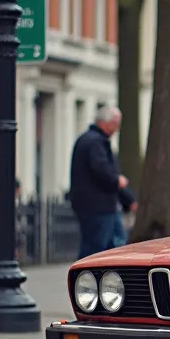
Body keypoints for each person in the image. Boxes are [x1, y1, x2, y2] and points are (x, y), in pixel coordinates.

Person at [68, 106, 129, 259]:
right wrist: (117, 180)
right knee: (96, 249)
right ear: (106, 123)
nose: (117, 129)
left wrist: (128, 198)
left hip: (98, 205)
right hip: (98, 207)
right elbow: (102, 170)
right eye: (116, 124)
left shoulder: (89, 140)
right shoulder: (96, 142)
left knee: (109, 246)